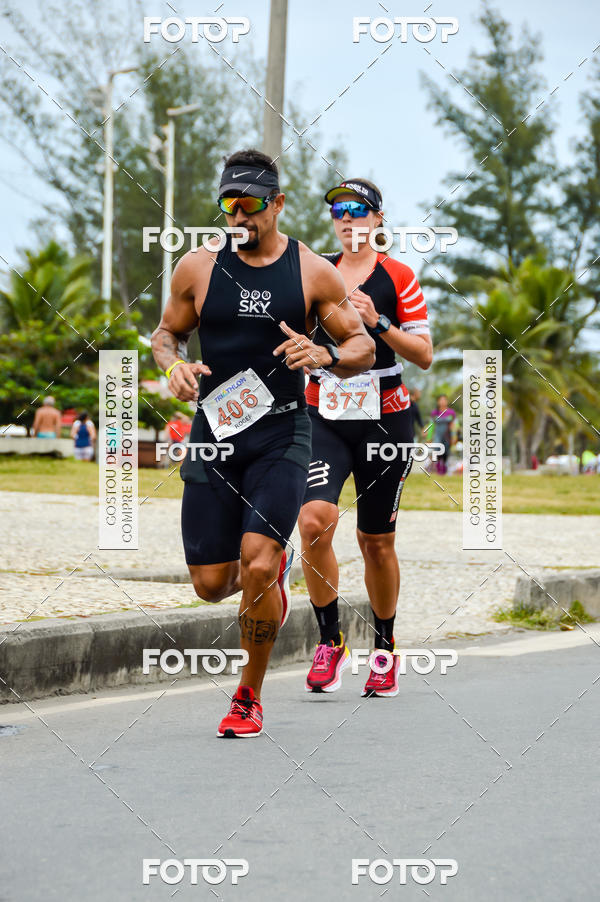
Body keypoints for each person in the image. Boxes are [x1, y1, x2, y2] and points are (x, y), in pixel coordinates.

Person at [151, 150, 375, 737]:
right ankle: (268, 574)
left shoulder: (311, 272)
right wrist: (172, 365)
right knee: (210, 585)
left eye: (251, 204)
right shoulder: (197, 268)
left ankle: (247, 696)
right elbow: (166, 333)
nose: (238, 215)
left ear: (277, 204)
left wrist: (324, 354)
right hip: (214, 435)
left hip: (281, 432)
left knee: (256, 561)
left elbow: (364, 348)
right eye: (229, 204)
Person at [298, 178, 432, 697]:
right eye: (338, 211)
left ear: (378, 220)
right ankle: (330, 640)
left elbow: (423, 354)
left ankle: (384, 647)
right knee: (313, 522)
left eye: (357, 210)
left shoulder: (399, 275)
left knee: (375, 542)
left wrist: (378, 326)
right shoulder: (314, 269)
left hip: (384, 417)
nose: (347, 219)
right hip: (323, 412)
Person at [430, 394, 456, 475]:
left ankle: (444, 469)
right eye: (441, 400)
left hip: (447, 435)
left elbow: (454, 425)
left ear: (447, 401)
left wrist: (454, 436)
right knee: (437, 451)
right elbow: (431, 425)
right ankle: (438, 468)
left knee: (446, 452)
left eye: (444, 400)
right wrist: (429, 437)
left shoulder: (451, 412)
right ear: (438, 402)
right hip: (437, 435)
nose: (442, 402)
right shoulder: (434, 412)